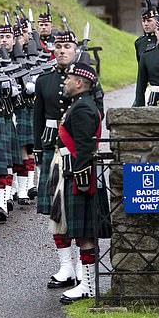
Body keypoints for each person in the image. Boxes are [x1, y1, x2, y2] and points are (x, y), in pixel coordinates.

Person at [49, 61, 111, 304]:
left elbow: (85, 149)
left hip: (80, 178)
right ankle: (87, 284)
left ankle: (88, 286)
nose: (64, 82)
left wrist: (81, 181)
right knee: (82, 234)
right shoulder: (80, 105)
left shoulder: (83, 109)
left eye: (68, 79)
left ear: (79, 83)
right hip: (75, 174)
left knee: (85, 235)